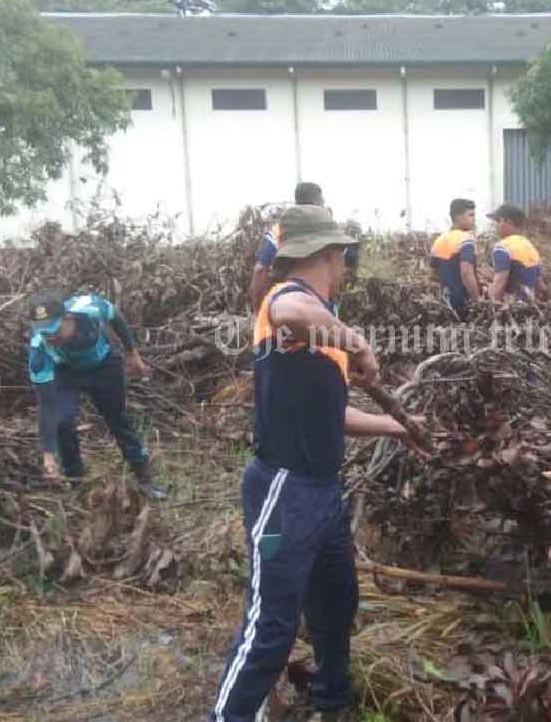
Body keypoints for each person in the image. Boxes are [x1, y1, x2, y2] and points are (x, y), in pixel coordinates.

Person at [212, 205, 424, 722]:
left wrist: (400, 428)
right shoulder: (290, 303)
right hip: (284, 492)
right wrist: (355, 342)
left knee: (335, 604)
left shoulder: (319, 328)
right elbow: (289, 313)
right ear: (330, 255)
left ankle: (331, 701)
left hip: (322, 494)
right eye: (344, 259)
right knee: (272, 626)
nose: (347, 270)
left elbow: (334, 414)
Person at [27, 291, 166, 500]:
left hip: (105, 368)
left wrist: (133, 355)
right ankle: (76, 481)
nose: (51, 338)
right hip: (67, 373)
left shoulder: (89, 308)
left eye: (54, 331)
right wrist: (48, 456)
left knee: (117, 419)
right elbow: (47, 405)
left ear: (68, 318)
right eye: (45, 334)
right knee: (62, 422)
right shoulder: (39, 352)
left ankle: (144, 478)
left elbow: (116, 318)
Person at [248, 182, 359, 312]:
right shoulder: (328, 232)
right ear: (317, 202)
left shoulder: (280, 231)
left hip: (285, 308)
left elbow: (260, 270)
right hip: (315, 308)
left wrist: (257, 310)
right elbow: (347, 267)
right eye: (322, 202)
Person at [429, 198, 481, 319]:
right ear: (458, 217)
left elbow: (433, 274)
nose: (474, 219)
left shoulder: (439, 240)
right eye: (471, 215)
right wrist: (477, 301)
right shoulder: (466, 239)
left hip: (447, 304)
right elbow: (466, 272)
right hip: (465, 303)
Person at [488, 203, 545, 303]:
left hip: (511, 307)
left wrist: (490, 305)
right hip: (530, 306)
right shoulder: (529, 246)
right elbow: (540, 284)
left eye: (497, 221)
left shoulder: (502, 247)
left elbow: (499, 282)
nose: (495, 225)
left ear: (507, 221)